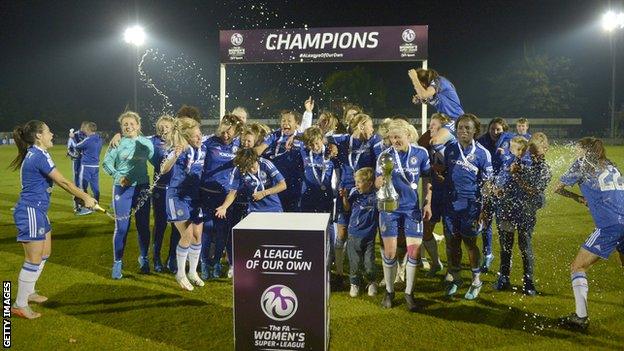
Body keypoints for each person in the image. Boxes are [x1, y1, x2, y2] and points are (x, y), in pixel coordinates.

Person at [10, 120, 97, 319]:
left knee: (45, 253)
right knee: (32, 259)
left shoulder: (40, 153)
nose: (52, 135)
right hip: (30, 211)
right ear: (39, 136)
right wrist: (84, 197)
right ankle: (18, 304)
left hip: (39, 211)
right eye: (48, 131)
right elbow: (63, 181)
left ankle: (29, 291)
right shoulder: (37, 155)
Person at [555, 137, 624, 331]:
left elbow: (558, 188)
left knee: (578, 266)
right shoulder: (611, 165)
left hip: (609, 226)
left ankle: (580, 317)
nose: (575, 152)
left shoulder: (582, 164)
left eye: (578, 149)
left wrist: (577, 197)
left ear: (586, 151)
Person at [375, 119, 431, 311]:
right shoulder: (384, 156)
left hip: (412, 208)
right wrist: (379, 182)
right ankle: (389, 291)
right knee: (390, 252)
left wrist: (428, 201)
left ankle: (409, 293)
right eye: (391, 137)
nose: (394, 141)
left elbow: (427, 178)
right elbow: (376, 182)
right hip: (389, 208)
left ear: (408, 135)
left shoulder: (421, 153)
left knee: (414, 252)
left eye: (397, 137)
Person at [442, 114, 492, 300]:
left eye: (467, 128)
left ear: (475, 131)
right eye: (460, 127)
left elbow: (487, 184)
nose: (463, 131)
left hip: (471, 205)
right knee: (452, 243)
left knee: (470, 243)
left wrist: (484, 210)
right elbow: (446, 173)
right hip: (450, 205)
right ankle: (456, 278)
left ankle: (476, 279)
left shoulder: (482, 153)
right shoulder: (450, 149)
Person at [493, 133, 551, 296]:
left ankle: (528, 282)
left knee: (525, 246)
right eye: (530, 152)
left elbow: (534, 191)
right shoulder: (513, 162)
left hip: (526, 212)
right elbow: (501, 181)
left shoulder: (544, 169)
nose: (532, 155)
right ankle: (503, 278)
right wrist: (498, 189)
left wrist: (516, 175)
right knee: (506, 246)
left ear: (545, 149)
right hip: (507, 209)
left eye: (535, 152)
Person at [102, 111, 155, 279]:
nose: (129, 126)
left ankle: (144, 259)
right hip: (122, 189)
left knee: (143, 226)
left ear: (138, 126)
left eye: (132, 124)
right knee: (122, 228)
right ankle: (118, 262)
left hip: (142, 188)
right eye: (125, 124)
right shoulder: (117, 143)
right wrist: (119, 176)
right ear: (121, 127)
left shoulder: (147, 143)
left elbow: (159, 160)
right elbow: (106, 163)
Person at [327, 113, 380, 277]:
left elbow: (379, 161)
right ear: (361, 126)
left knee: (366, 232)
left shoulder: (374, 140)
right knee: (342, 232)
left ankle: (366, 270)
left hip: (365, 192)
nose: (372, 129)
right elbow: (324, 137)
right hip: (346, 190)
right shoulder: (344, 139)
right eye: (370, 125)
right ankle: (341, 272)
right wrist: (331, 145)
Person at [160, 117, 206, 291]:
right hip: (176, 196)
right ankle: (180, 273)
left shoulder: (204, 147)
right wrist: (175, 155)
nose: (199, 138)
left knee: (196, 236)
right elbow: (164, 168)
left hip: (194, 197)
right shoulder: (179, 148)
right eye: (195, 136)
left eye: (200, 134)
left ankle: (193, 272)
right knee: (186, 236)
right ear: (187, 137)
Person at [200, 114, 243, 279]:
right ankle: (204, 263)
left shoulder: (239, 145)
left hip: (225, 197)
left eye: (229, 132)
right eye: (223, 132)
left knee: (221, 232)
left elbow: (259, 138)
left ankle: (217, 262)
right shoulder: (209, 142)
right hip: (206, 194)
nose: (226, 135)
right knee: (207, 230)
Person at [477, 117, 514, 271]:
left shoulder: (511, 140)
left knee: (502, 225)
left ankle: (506, 259)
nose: (495, 132)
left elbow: (519, 155)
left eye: (498, 129)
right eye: (492, 129)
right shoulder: (482, 141)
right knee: (485, 222)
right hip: (487, 186)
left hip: (503, 189)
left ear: (504, 130)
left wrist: (507, 153)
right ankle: (488, 254)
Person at [422, 113, 455, 277]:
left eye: (433, 124)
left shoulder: (450, 138)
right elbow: (428, 174)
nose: (430, 127)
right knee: (426, 230)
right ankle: (436, 263)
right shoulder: (429, 148)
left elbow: (435, 141)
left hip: (450, 192)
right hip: (435, 192)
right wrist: (427, 198)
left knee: (450, 233)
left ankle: (451, 270)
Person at [256, 110, 304, 212]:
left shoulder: (302, 136)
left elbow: (320, 138)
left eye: (289, 121)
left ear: (296, 123)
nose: (285, 123)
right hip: (277, 182)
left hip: (296, 182)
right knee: (278, 215)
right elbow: (259, 150)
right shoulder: (274, 135)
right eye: (283, 120)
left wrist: (297, 137)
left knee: (293, 215)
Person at [149, 115, 181, 273]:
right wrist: (118, 135)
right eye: (161, 128)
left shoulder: (179, 140)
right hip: (160, 189)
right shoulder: (153, 140)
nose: (163, 130)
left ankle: (172, 258)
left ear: (173, 127)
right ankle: (156, 258)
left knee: (177, 225)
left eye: (166, 127)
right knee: (160, 225)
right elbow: (135, 137)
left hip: (176, 190)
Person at [216, 148, 287, 217]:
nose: (251, 169)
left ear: (256, 159)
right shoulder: (238, 170)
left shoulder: (265, 164)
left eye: (252, 165)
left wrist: (264, 193)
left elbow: (283, 185)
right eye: (247, 167)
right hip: (254, 211)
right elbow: (233, 192)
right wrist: (224, 207)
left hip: (273, 208)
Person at [343, 167, 378, 298]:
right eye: (355, 181)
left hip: (369, 236)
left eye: (359, 182)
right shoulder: (354, 192)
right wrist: (345, 198)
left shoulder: (376, 195)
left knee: (369, 264)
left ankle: (371, 282)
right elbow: (347, 208)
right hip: (353, 234)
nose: (356, 184)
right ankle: (354, 283)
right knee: (355, 263)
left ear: (369, 183)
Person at [73, 122, 103, 216]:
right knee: (96, 188)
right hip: (96, 166)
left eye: (86, 129)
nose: (84, 130)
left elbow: (77, 145)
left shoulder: (88, 139)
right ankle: (96, 205)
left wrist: (72, 137)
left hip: (86, 166)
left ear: (89, 129)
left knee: (82, 187)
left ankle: (84, 206)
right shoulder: (99, 139)